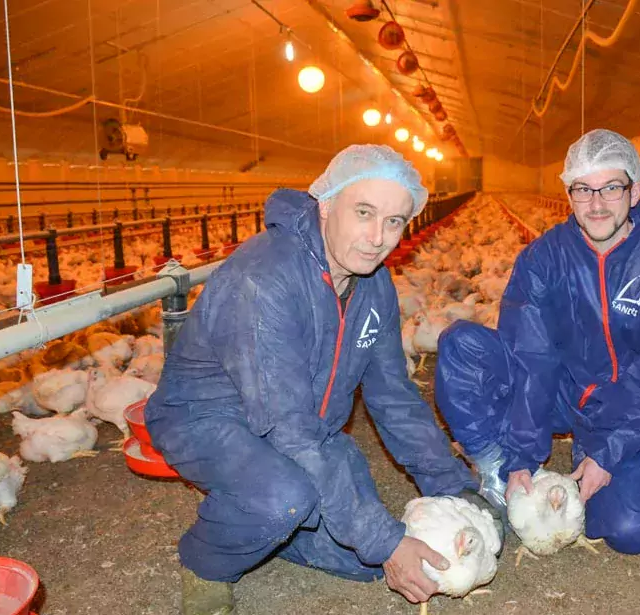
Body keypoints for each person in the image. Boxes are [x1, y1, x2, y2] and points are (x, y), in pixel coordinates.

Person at [145, 144, 496, 615]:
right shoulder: (265, 276)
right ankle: (206, 563)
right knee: (288, 498)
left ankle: (274, 528)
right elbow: (287, 427)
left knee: (366, 561)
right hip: (209, 420)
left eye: (394, 221)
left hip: (306, 425)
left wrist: (453, 487)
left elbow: (394, 396)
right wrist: (385, 540)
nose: (378, 237)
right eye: (364, 212)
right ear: (326, 205)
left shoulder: (373, 285)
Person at [435, 129, 640, 555]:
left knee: (629, 530)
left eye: (611, 187)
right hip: (561, 390)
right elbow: (531, 357)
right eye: (583, 189)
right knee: (461, 344)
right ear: (569, 193)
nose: (596, 203)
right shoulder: (545, 258)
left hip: (627, 406)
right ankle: (495, 468)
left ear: (635, 192)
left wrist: (607, 452)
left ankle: (609, 454)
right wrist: (523, 456)